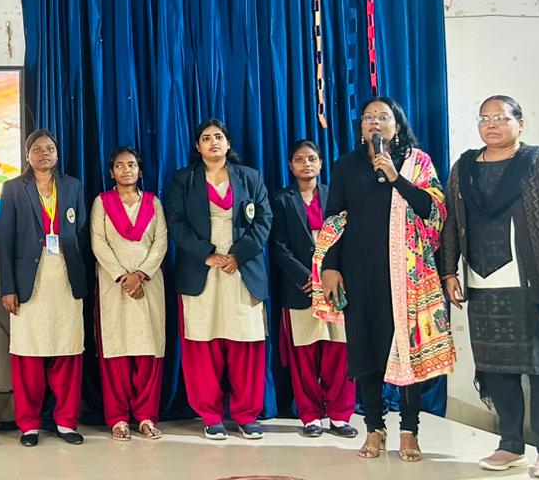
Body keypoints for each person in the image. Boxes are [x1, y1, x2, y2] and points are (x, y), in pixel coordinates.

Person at [440, 95, 539, 479]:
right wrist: (449, 271)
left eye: (501, 118)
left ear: (521, 123)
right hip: (482, 284)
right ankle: (511, 445)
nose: (491, 125)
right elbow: (451, 222)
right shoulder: (464, 168)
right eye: (484, 118)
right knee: (495, 367)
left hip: (534, 285)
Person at [317, 97, 454, 463]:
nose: (374, 122)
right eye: (368, 117)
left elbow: (434, 212)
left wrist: (395, 176)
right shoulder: (346, 165)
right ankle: (374, 427)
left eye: (382, 116)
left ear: (397, 124)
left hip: (407, 275)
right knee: (366, 349)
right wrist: (330, 266)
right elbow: (334, 219)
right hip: (359, 271)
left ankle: (409, 429)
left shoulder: (417, 162)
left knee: (407, 347)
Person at [168, 119, 272, 441]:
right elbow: (176, 222)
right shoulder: (184, 179)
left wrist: (237, 255)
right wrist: (208, 254)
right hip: (202, 269)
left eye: (218, 137)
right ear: (197, 147)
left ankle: (247, 415)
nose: (213, 142)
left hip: (242, 270)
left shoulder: (250, 177)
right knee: (203, 345)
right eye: (206, 138)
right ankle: (210, 415)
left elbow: (264, 221)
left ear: (228, 143)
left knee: (246, 344)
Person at [0, 129, 88, 447]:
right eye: (37, 149)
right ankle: (29, 425)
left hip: (65, 277)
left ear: (57, 153)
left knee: (67, 350)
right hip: (28, 281)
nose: (44, 153)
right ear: (27, 155)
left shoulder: (73, 186)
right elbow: (5, 240)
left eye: (50, 148)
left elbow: (80, 230)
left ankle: (66, 421)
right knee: (28, 354)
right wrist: (7, 288)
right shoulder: (13, 188)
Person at [268, 140, 356, 439]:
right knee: (304, 355)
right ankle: (310, 416)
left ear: (320, 163)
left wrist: (335, 273)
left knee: (338, 351)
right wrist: (306, 276)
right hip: (301, 287)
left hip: (336, 285)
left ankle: (340, 415)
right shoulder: (281, 199)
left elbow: (350, 239)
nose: (306, 164)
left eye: (312, 158)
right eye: (299, 159)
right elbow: (278, 246)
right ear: (290, 165)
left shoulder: (336, 196)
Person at [90, 146, 168, 442]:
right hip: (114, 285)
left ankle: (146, 416)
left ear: (140, 170)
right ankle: (118, 418)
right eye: (120, 165)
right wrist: (124, 277)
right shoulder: (102, 202)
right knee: (117, 351)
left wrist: (141, 275)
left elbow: (161, 242)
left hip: (149, 283)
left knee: (148, 349)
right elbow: (98, 243)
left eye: (132, 165)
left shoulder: (153, 202)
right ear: (111, 172)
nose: (126, 170)